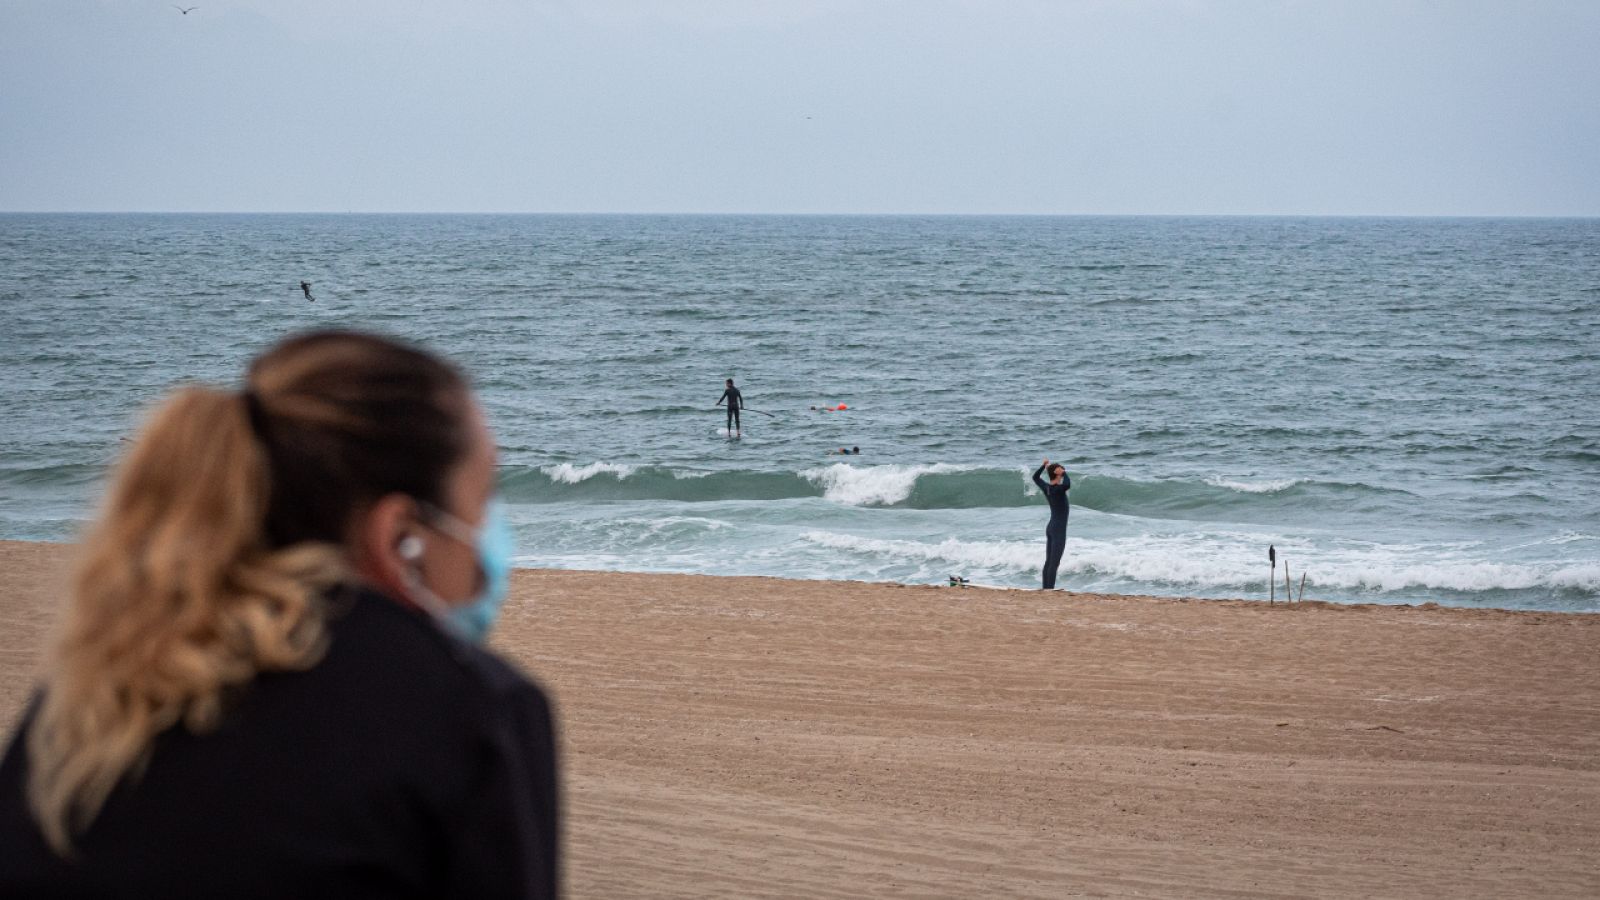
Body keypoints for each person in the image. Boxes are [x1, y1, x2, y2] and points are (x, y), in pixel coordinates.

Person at [0, 330, 560, 898]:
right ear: (400, 539)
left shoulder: (87, 702)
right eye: (484, 495)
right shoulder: (470, 714)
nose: (489, 534)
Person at [1032, 458, 1071, 589]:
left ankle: (1046, 588)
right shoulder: (1059, 490)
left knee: (1049, 562)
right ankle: (1049, 590)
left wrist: (1043, 466)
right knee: (1054, 563)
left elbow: (1035, 477)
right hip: (1058, 529)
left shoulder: (1047, 488)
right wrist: (1064, 473)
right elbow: (1067, 484)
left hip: (1051, 528)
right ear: (1058, 474)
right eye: (1061, 470)